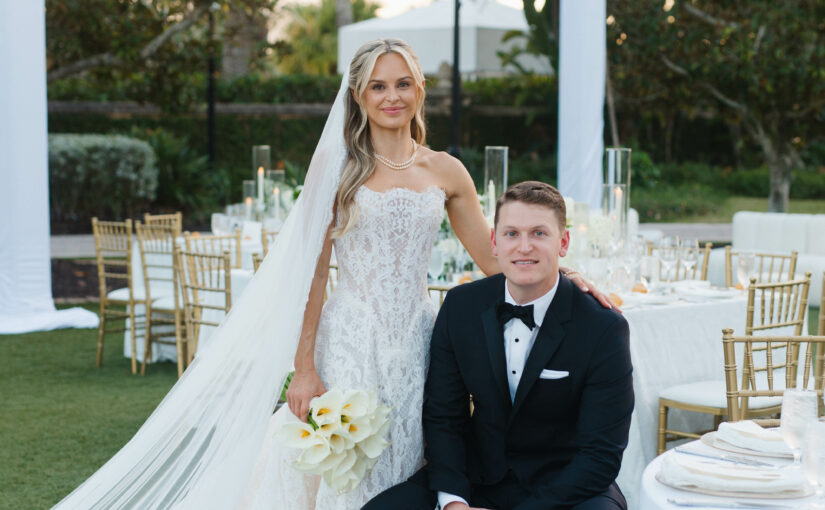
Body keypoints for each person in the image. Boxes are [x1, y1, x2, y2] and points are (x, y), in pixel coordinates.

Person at [52, 40, 612, 510]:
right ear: (359, 96)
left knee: (418, 453)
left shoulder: (446, 170)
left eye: (402, 84)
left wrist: (570, 278)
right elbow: (311, 277)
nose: (391, 96)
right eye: (377, 86)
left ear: (419, 90)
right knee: (346, 466)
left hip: (419, 338)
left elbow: (496, 259)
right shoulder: (336, 168)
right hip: (351, 338)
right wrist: (303, 368)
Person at [363, 181, 634, 510]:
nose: (524, 247)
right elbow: (444, 417)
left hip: (566, 487)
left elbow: (600, 456)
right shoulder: (461, 307)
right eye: (511, 234)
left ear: (563, 242)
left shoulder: (603, 328)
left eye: (539, 233)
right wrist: (454, 503)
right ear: (494, 241)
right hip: (477, 478)